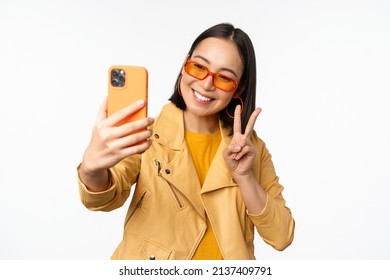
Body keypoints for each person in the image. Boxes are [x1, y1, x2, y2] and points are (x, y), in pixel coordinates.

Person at [77, 22, 295, 260]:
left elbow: (281, 236)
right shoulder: (147, 132)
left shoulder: (252, 149)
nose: (206, 83)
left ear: (238, 88)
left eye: (224, 78)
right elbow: (105, 198)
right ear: (185, 65)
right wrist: (91, 168)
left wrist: (244, 177)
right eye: (199, 67)